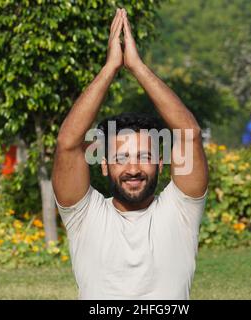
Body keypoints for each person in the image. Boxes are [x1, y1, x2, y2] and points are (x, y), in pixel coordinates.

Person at [52, 8, 208, 299]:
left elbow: (190, 135)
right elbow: (67, 144)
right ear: (103, 165)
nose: (133, 168)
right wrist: (110, 68)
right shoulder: (84, 216)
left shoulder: (181, 210)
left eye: (145, 157)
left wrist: (136, 66)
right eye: (121, 158)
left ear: (160, 163)